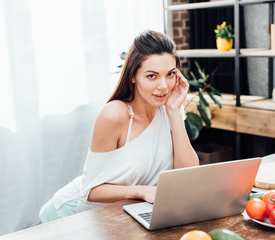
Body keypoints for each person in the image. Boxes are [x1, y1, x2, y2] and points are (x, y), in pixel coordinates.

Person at [39, 30, 199, 223]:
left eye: (170, 74)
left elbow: (187, 174)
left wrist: (174, 112)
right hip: (73, 214)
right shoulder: (114, 115)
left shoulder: (169, 107)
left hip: (124, 214)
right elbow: (90, 190)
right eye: (152, 76)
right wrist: (141, 191)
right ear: (133, 76)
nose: (164, 86)